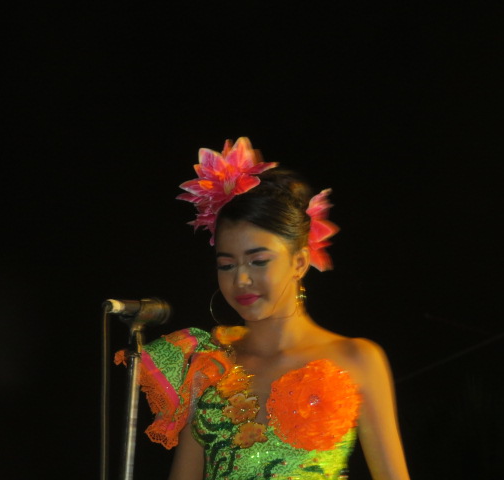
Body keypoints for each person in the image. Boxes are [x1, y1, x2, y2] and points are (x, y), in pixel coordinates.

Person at [126, 137, 410, 479]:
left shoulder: (358, 359)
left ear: (299, 261)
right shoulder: (209, 364)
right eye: (227, 265)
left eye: (258, 261)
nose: (241, 279)